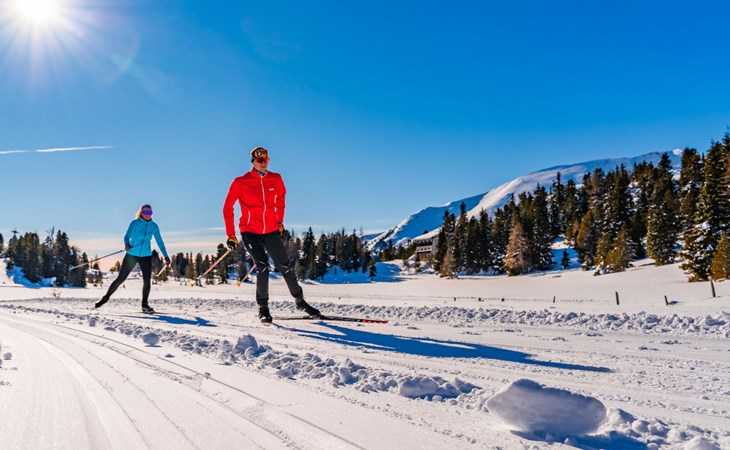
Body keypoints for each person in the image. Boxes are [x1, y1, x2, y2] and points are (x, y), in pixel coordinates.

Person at [223, 146, 320, 323]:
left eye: (266, 160)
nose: (263, 163)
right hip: (250, 231)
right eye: (260, 160)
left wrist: (279, 222)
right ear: (253, 161)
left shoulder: (276, 179)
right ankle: (263, 309)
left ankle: (300, 302)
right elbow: (227, 208)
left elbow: (281, 199)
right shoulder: (240, 182)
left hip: (270, 230)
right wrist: (231, 235)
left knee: (285, 266)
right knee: (262, 266)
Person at [96, 204, 170, 314]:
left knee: (147, 281)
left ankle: (144, 305)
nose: (148, 215)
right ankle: (105, 298)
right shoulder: (135, 223)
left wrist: (166, 256)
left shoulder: (154, 226)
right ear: (141, 213)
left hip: (146, 256)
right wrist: (127, 244)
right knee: (120, 279)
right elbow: (127, 236)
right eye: (146, 212)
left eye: (150, 213)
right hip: (132, 255)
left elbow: (160, 242)